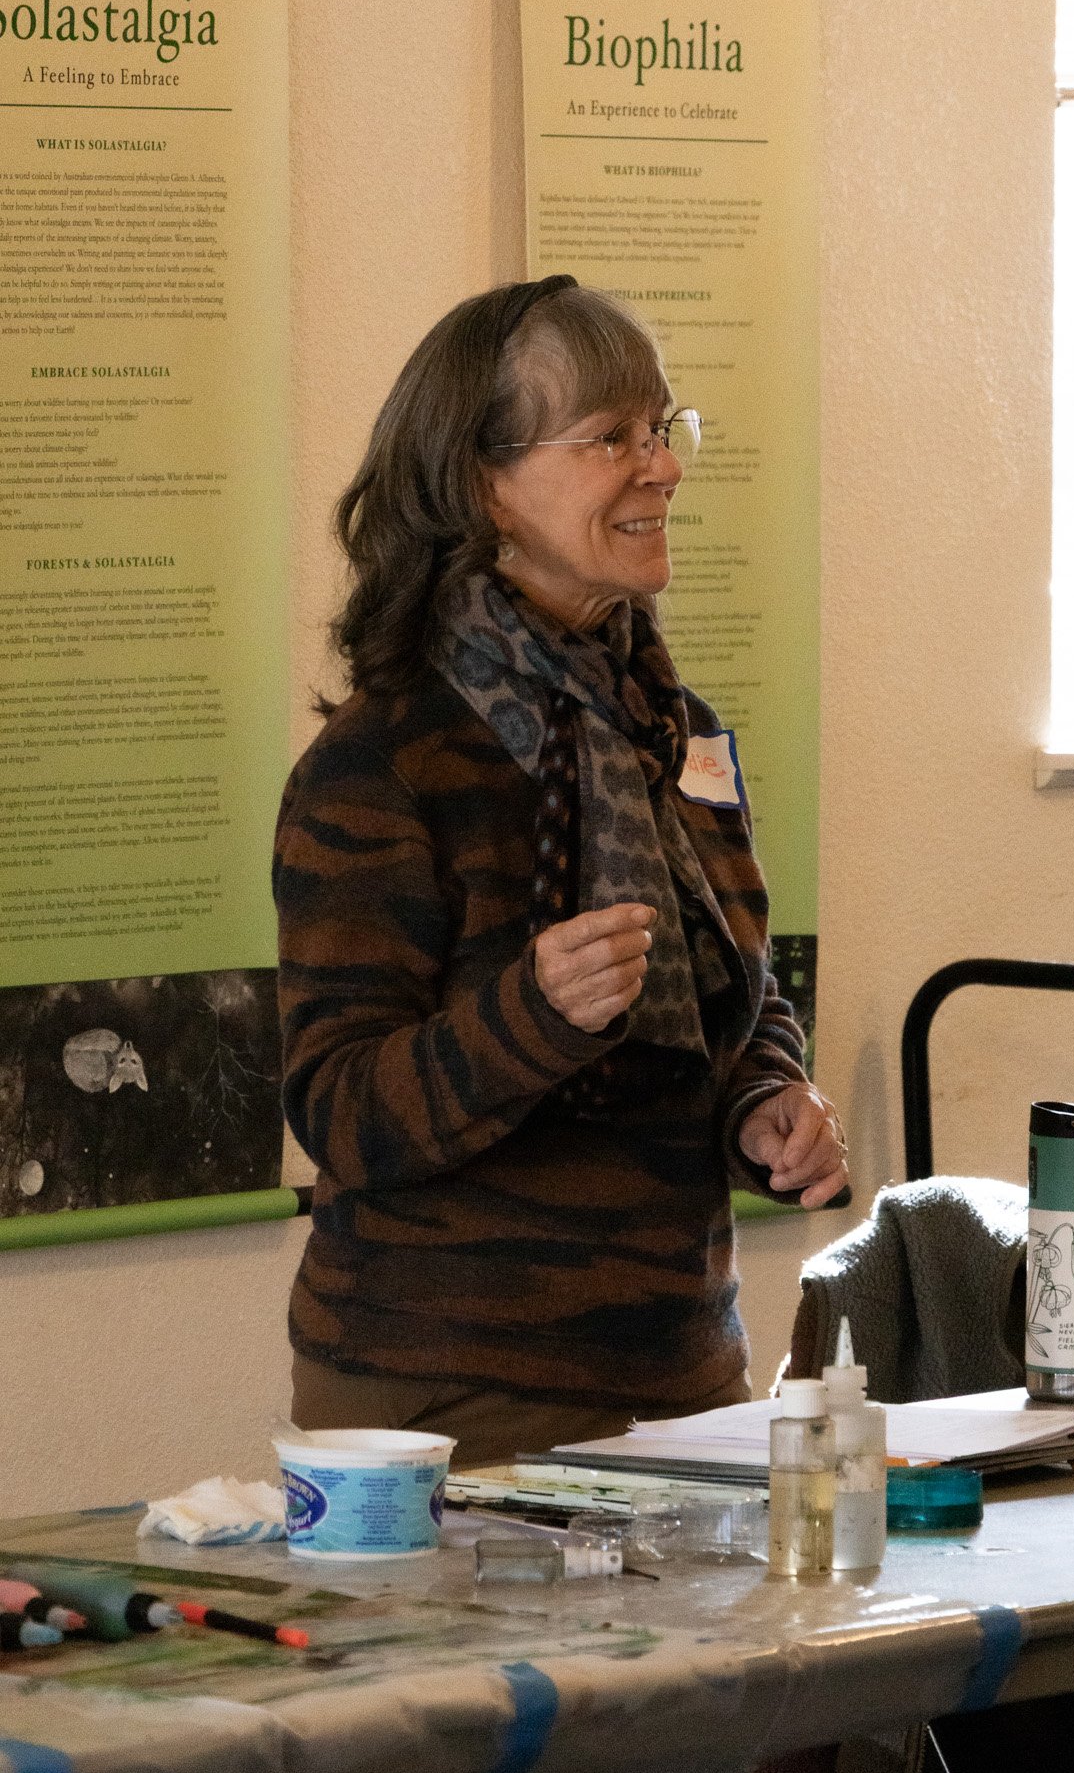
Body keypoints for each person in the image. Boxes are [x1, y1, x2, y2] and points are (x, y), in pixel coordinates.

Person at [275, 275, 847, 1463]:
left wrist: (767, 1102)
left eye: (660, 428)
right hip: (446, 1396)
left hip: (684, 1369)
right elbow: (340, 1112)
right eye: (607, 439)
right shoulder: (383, 760)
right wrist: (530, 1015)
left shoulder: (670, 721)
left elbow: (739, 989)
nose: (662, 468)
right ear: (484, 484)